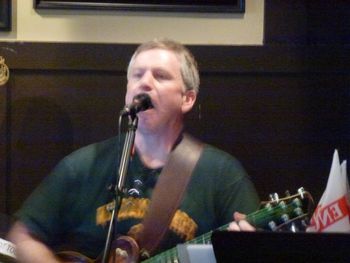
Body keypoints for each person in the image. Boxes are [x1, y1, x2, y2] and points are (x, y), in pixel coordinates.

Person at [8, 38, 259, 262]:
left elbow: (257, 247)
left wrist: (247, 246)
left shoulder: (222, 174)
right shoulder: (82, 165)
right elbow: (23, 236)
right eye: (137, 75)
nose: (145, 83)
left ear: (187, 99)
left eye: (160, 76)